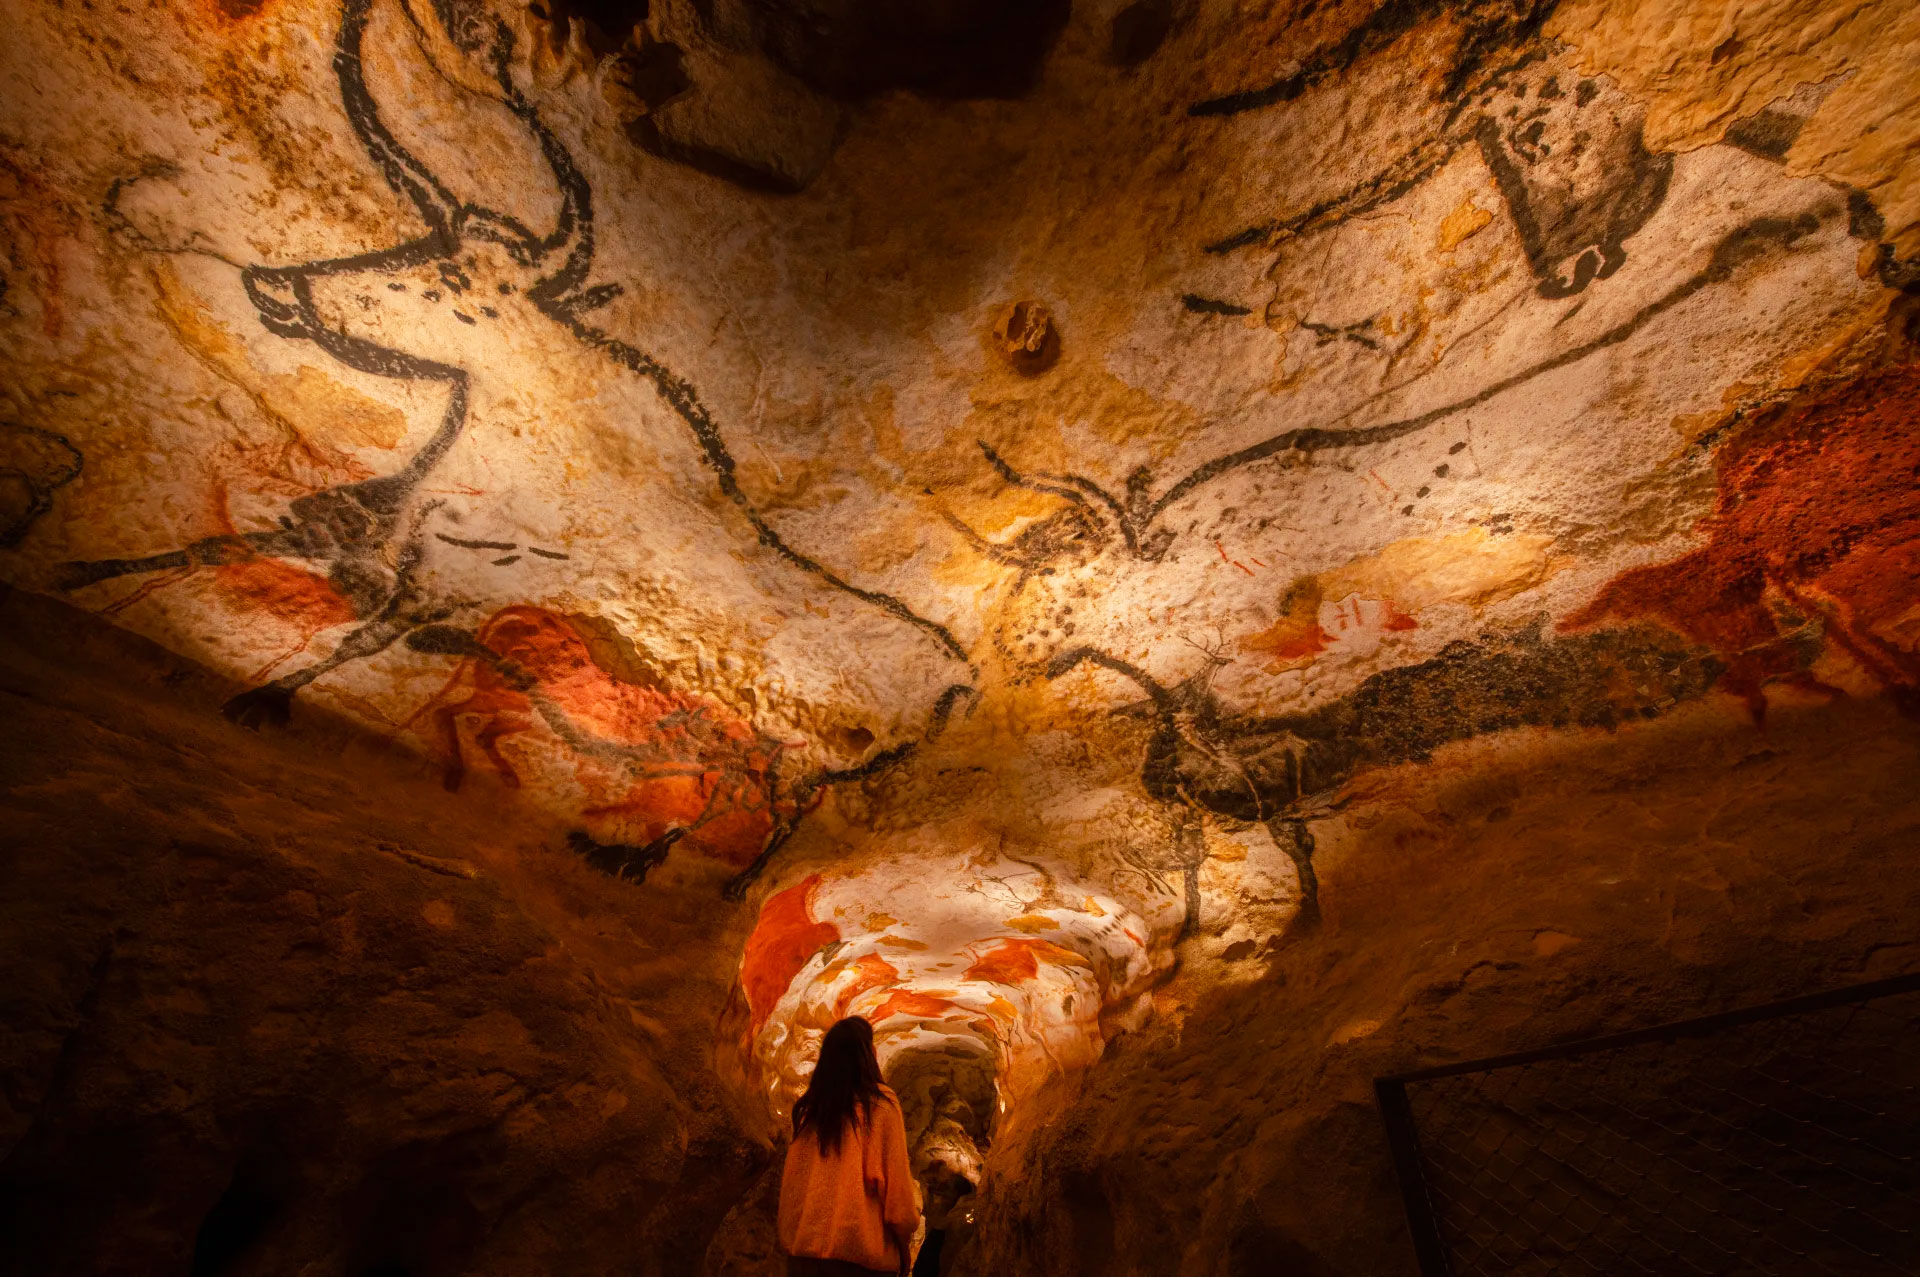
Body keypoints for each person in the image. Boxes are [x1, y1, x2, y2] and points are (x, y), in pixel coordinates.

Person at [779, 1016, 921, 1276]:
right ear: (868, 1055)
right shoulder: (878, 1107)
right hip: (858, 1260)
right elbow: (898, 1200)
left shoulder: (811, 1111)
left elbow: (791, 1191)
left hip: (803, 1259)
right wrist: (903, 1247)